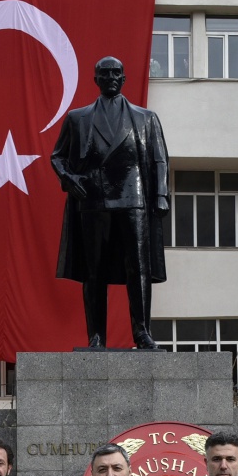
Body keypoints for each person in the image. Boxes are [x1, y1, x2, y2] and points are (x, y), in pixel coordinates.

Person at [51, 56, 170, 349]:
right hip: (94, 199)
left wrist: (161, 195)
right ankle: (96, 336)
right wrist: (69, 178)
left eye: (117, 73)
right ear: (96, 80)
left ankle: (142, 333)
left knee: (138, 268)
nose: (111, 78)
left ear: (125, 78)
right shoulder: (78, 118)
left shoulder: (146, 118)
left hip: (134, 197)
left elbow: (160, 159)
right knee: (95, 270)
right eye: (105, 74)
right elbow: (57, 157)